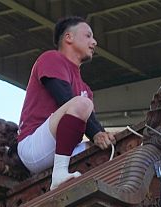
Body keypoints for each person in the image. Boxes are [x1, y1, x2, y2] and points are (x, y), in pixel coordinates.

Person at [16, 16, 116, 190]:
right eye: (88, 36)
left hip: (63, 149)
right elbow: (64, 98)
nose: (94, 42)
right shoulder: (51, 58)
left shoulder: (86, 89)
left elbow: (91, 123)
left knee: (111, 148)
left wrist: (101, 135)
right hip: (33, 147)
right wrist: (96, 133)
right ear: (69, 37)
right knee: (83, 104)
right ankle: (60, 174)